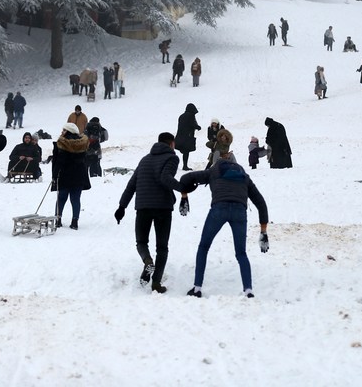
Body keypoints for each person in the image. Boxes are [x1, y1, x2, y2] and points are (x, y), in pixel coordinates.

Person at [179, 144, 269, 299]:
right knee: (241, 253)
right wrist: (263, 232)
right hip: (240, 212)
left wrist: (184, 197)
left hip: (219, 210)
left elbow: (185, 178)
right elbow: (261, 203)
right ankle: (248, 290)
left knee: (204, 247)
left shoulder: (214, 170)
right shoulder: (244, 176)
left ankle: (197, 288)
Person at [114, 132, 185, 294]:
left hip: (143, 206)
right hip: (163, 207)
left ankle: (147, 261)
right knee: (162, 247)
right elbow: (166, 178)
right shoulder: (172, 158)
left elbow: (131, 185)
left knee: (141, 242)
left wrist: (121, 207)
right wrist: (184, 189)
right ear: (172, 144)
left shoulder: (144, 160)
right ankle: (156, 283)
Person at [52, 123, 91, 230]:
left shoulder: (62, 143)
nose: (62, 132)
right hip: (79, 175)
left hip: (65, 174)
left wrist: (54, 175)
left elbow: (59, 161)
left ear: (68, 131)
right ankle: (75, 221)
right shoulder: (83, 143)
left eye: (64, 130)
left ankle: (58, 219)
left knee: (61, 198)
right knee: (75, 199)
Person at [175, 103, 200, 170]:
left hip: (179, 136)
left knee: (183, 150)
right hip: (187, 137)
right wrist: (198, 127)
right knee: (186, 152)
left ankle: (183, 165)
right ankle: (185, 166)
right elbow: (192, 124)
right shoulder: (190, 116)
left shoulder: (181, 116)